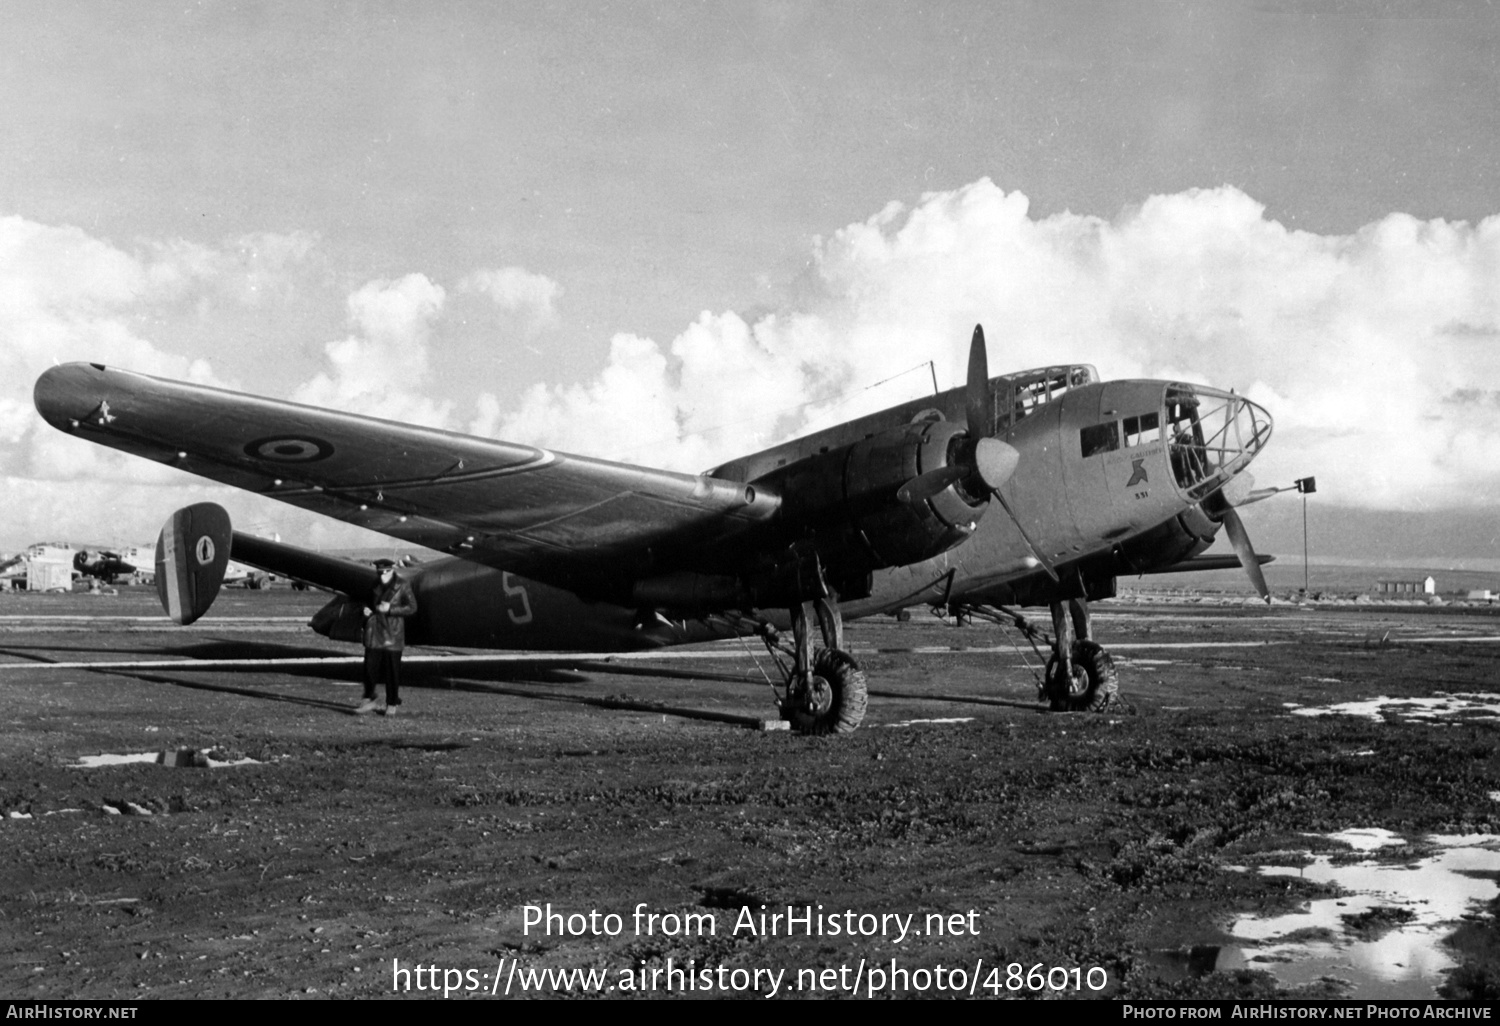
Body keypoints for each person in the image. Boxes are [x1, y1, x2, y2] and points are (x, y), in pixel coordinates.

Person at [355, 559, 418, 716]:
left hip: (393, 632)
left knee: (392, 671)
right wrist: (365, 610)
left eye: (385, 572)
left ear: (391, 571)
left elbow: (412, 607)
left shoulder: (402, 585)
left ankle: (391, 703)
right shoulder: (373, 585)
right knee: (369, 668)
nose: (382, 576)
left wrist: (391, 609)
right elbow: (366, 601)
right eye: (379, 573)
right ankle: (368, 699)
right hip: (374, 630)